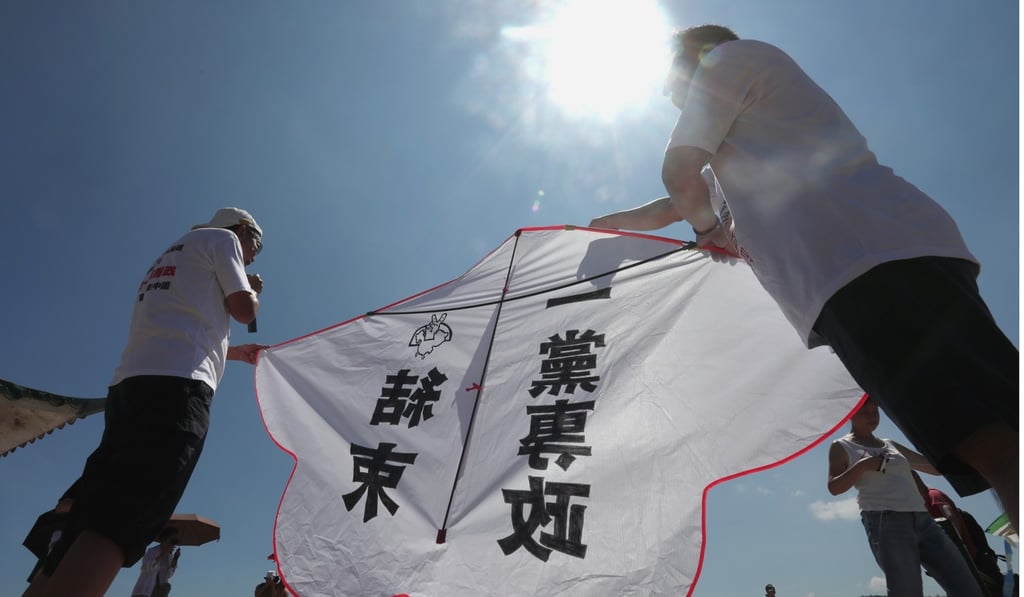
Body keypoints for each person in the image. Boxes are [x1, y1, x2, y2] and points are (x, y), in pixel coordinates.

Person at [588, 24, 1018, 529]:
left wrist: (708, 229)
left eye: (669, 78)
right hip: (862, 273)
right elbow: (671, 203)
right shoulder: (740, 145)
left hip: (871, 265)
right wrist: (600, 227)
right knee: (981, 437)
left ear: (696, 59)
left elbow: (679, 176)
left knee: (991, 440)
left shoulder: (730, 60)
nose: (666, 93)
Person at [25, 207, 268, 597]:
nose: (254, 255)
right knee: (121, 521)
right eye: (256, 244)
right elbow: (243, 310)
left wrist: (236, 354)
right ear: (241, 229)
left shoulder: (174, 253)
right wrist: (253, 292)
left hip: (130, 387)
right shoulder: (223, 240)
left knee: (88, 517)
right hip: (178, 389)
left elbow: (188, 323)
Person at [827, 399, 984, 596]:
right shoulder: (841, 446)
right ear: (850, 413)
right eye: (864, 411)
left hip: (923, 519)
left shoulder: (890, 444)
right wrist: (862, 466)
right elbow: (834, 487)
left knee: (965, 583)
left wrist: (966, 455)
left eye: (875, 410)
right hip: (886, 522)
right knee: (907, 591)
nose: (871, 415)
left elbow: (933, 468)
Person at [130, 528, 180, 597]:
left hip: (159, 592)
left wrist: (175, 558)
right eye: (172, 541)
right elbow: (146, 567)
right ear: (164, 539)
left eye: (175, 542)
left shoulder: (169, 556)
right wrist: (163, 554)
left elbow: (168, 574)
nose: (172, 544)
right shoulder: (152, 551)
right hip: (144, 591)